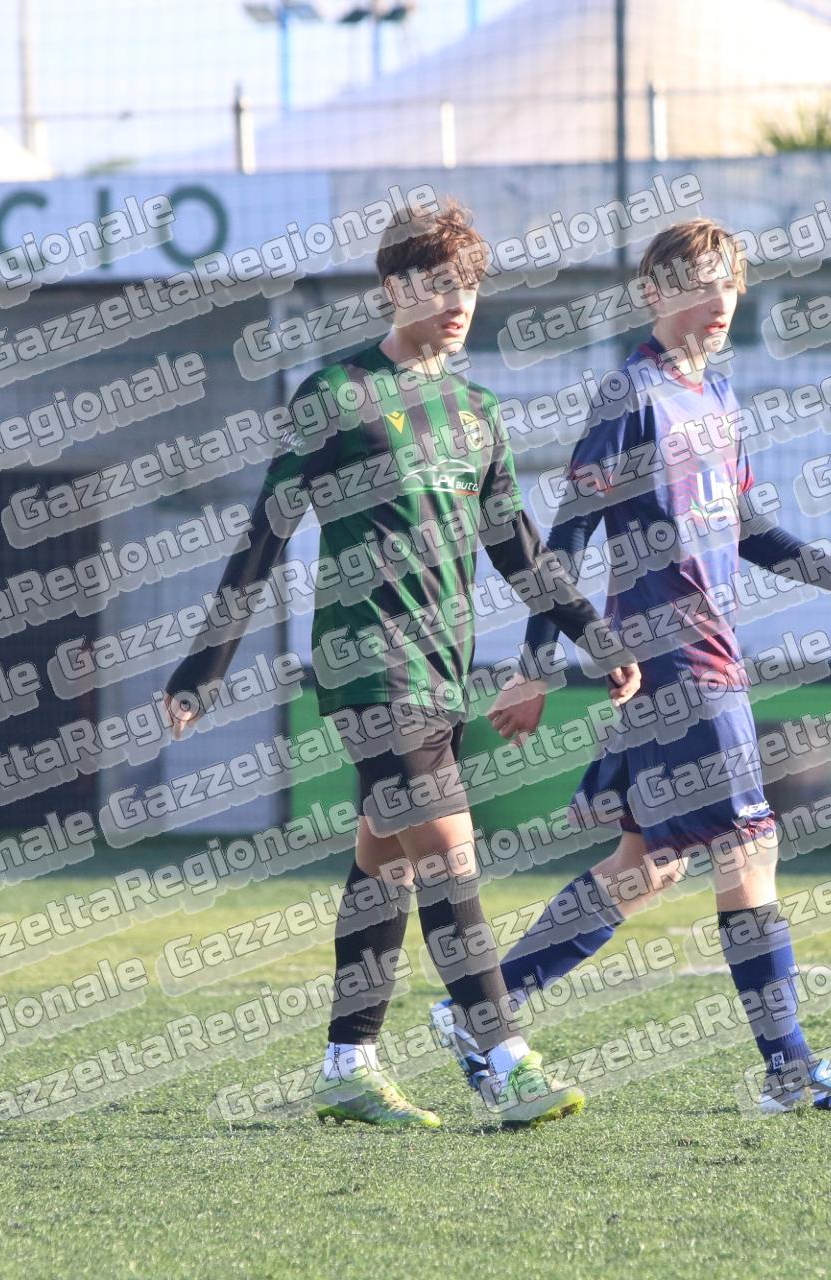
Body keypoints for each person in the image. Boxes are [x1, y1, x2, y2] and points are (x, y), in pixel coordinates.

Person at [163, 198, 639, 1128]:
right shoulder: (335, 395)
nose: (458, 303)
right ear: (393, 288)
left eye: (470, 286)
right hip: (367, 668)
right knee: (450, 852)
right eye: (437, 285)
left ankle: (348, 1066)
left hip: (440, 673)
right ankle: (504, 1058)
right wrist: (203, 668)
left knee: (388, 864)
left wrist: (593, 632)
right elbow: (265, 535)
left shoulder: (477, 413)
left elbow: (518, 549)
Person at [437, 218, 831, 1113]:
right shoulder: (630, 395)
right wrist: (536, 663)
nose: (717, 297)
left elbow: (746, 526)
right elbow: (566, 536)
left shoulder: (718, 396)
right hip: (674, 659)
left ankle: (478, 1012)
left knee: (649, 863)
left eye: (728, 282)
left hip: (702, 654)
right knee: (751, 844)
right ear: (651, 293)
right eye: (696, 281)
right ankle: (789, 1071)